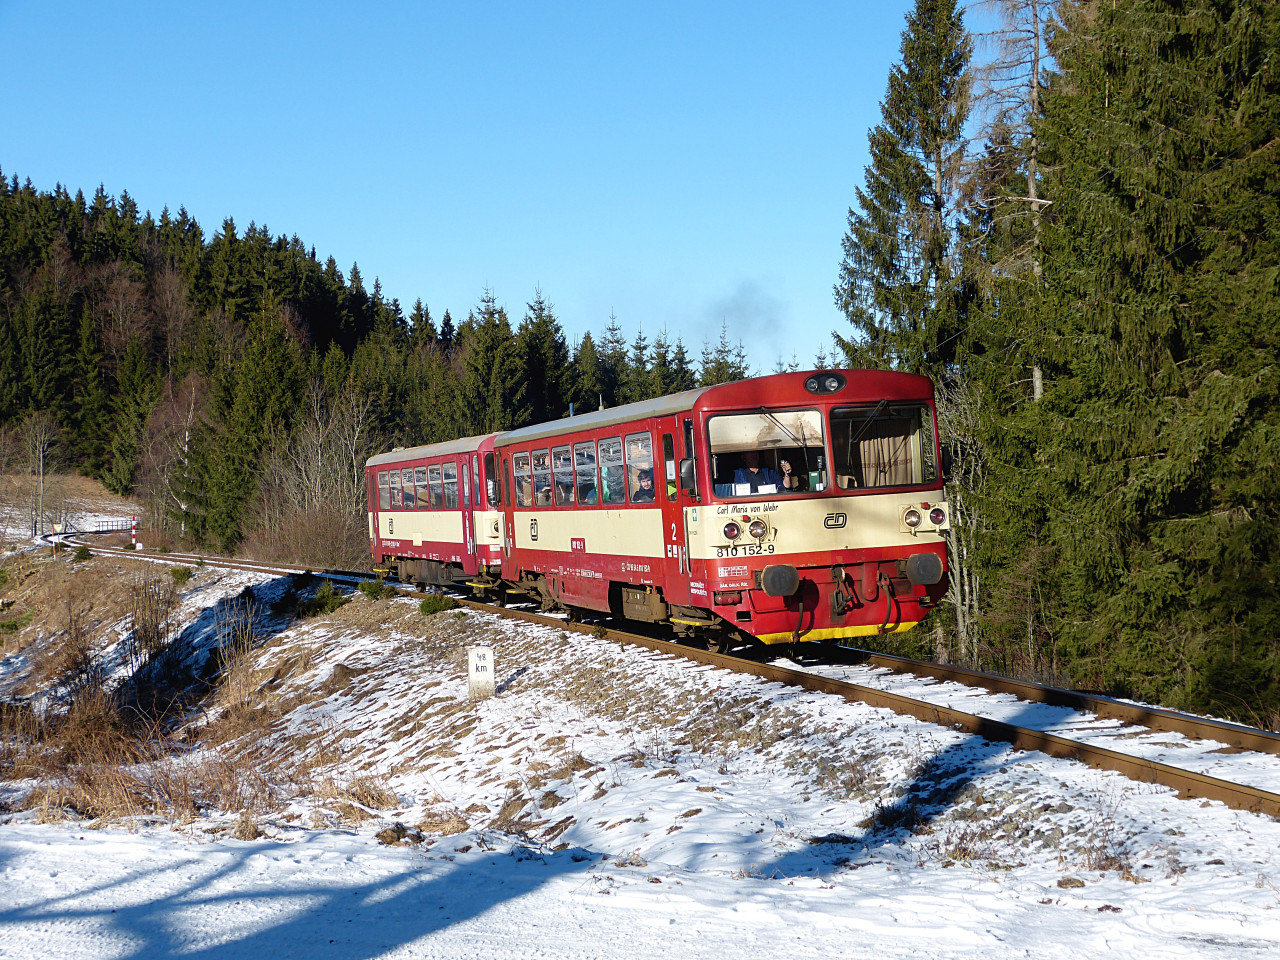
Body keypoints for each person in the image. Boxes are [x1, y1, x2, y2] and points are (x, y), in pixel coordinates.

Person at [732, 451, 798, 493]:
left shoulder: (768, 472)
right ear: (743, 457)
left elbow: (785, 486)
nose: (754, 454)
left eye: (756, 451)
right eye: (750, 452)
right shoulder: (737, 474)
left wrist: (787, 474)